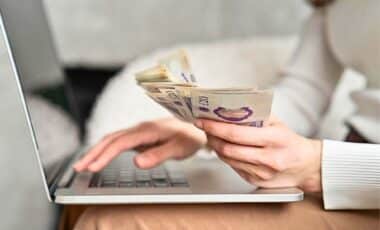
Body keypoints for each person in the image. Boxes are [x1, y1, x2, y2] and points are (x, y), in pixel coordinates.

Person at [66, 0, 380, 229]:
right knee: (81, 204)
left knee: (109, 223)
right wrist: (206, 127)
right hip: (346, 166)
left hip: (366, 189)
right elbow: (300, 97)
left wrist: (318, 166)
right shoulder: (332, 10)